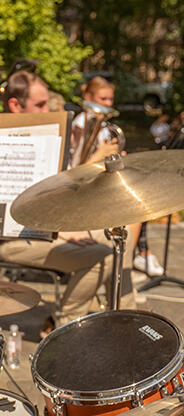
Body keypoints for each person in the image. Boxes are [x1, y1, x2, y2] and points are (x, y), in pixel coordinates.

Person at [0, 71, 137, 334]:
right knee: (104, 256)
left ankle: (128, 316)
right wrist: (62, 230)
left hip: (48, 228)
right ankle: (66, 327)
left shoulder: (45, 137)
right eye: (40, 105)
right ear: (15, 105)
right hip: (14, 239)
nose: (48, 110)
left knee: (122, 235)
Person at [76, 77, 163, 278]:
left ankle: (123, 269)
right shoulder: (78, 126)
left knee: (139, 205)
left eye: (110, 99)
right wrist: (101, 154)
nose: (107, 104)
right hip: (84, 192)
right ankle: (123, 270)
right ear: (88, 97)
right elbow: (74, 173)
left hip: (99, 186)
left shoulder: (105, 127)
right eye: (102, 98)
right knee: (130, 216)